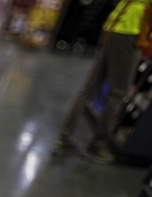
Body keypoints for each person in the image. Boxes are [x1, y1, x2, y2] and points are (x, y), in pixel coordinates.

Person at [53, 0, 151, 164]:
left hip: (115, 25)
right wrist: (143, 37)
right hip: (130, 31)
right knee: (118, 93)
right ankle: (98, 145)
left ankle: (64, 136)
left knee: (90, 87)